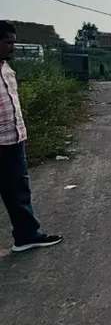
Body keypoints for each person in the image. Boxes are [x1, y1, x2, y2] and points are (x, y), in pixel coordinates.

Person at [0, 21, 62, 252]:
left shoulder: (6, 68)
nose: (12, 47)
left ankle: (26, 236)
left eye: (13, 42)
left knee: (18, 191)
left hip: (13, 140)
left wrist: (22, 133)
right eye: (8, 42)